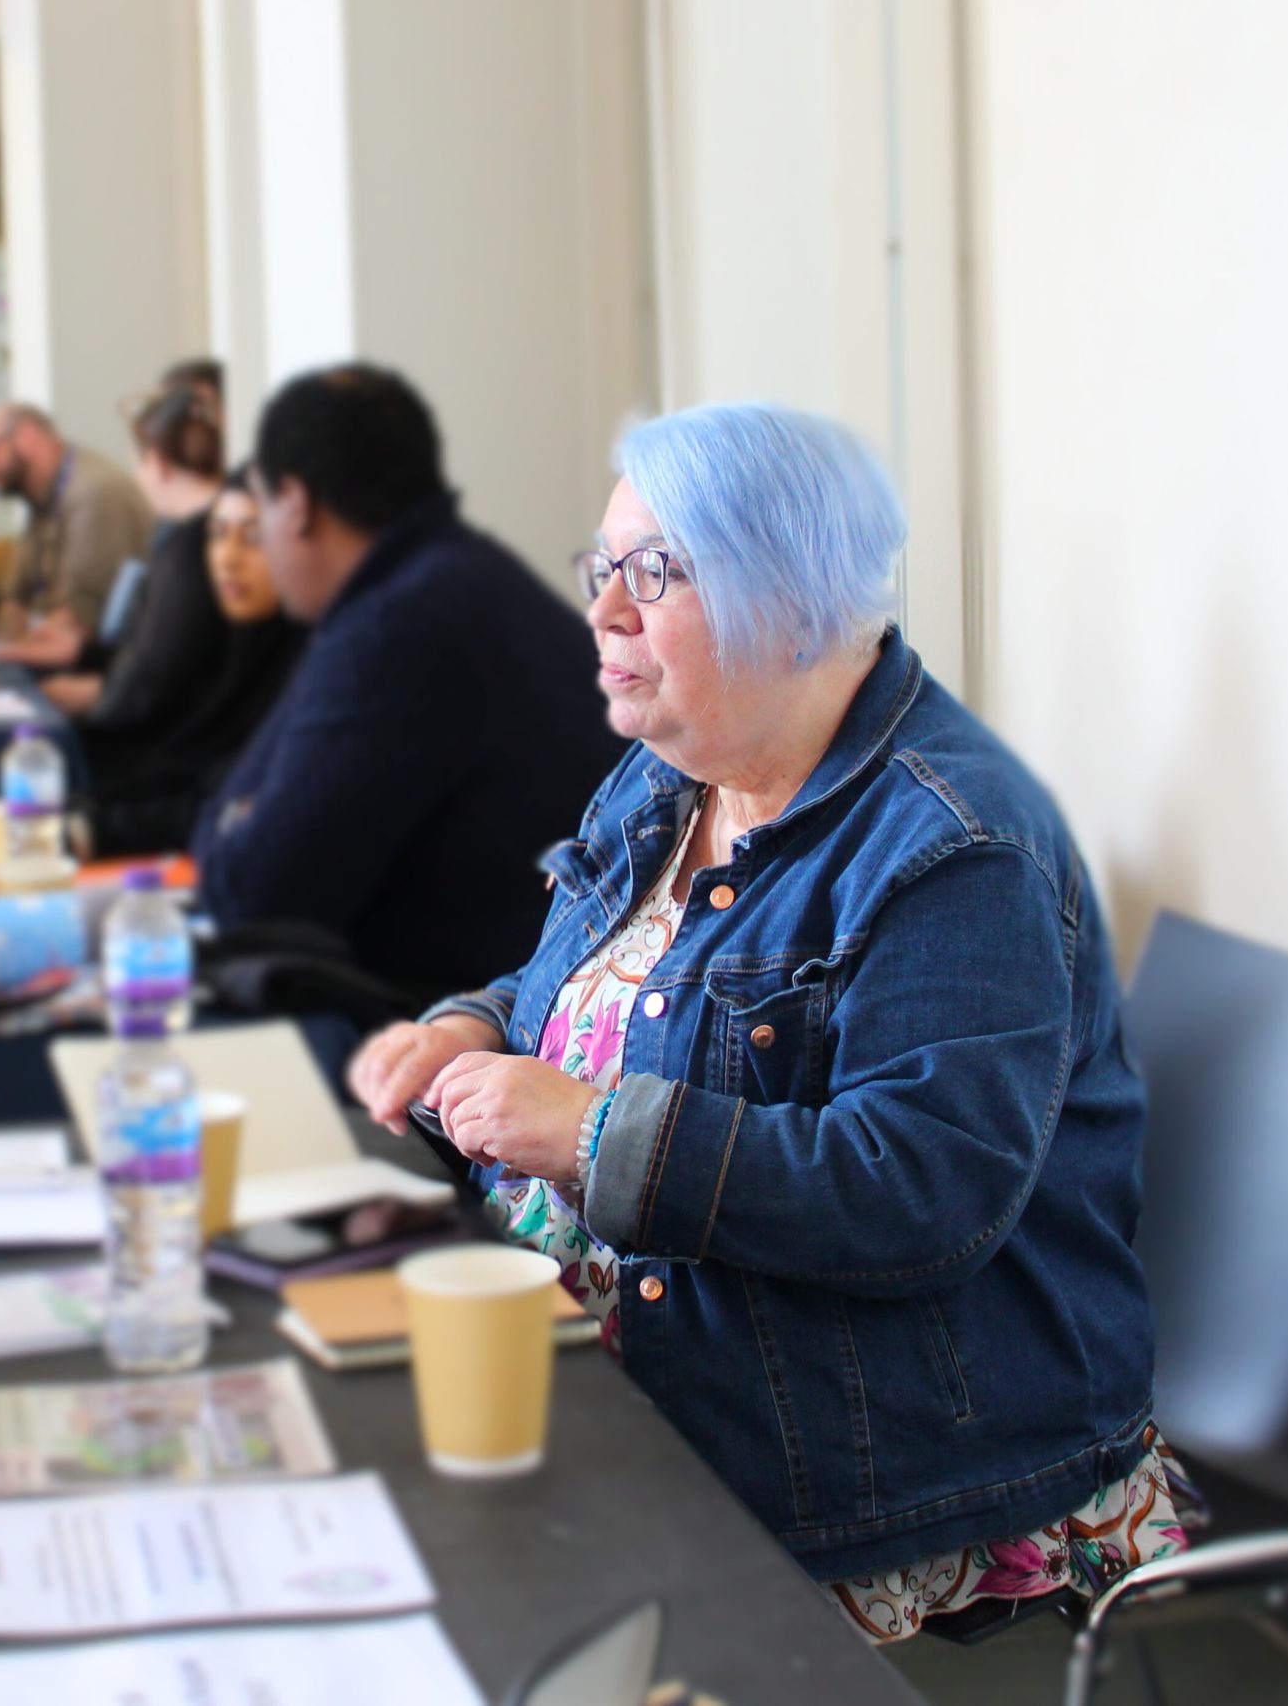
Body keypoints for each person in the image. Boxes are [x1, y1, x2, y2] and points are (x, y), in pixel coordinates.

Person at [350, 403, 1187, 1642]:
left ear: (791, 604)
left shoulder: (957, 850)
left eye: (658, 573)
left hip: (857, 1430)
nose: (606, 614)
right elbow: (579, 992)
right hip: (618, 1345)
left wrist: (586, 1136)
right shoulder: (670, 771)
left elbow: (919, 1192)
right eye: (604, 569)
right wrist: (471, 1030)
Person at [194, 365, 623, 1002]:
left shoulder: (397, 626)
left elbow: (252, 898)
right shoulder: (456, 577)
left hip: (481, 1025)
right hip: (531, 996)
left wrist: (234, 823)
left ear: (297, 503)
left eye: (259, 511)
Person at [79, 466, 304, 856]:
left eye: (253, 538)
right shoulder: (232, 647)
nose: (228, 559)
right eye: (217, 534)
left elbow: (229, 810)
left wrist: (85, 831)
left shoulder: (308, 660)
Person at [40, 372, 230, 721]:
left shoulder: (188, 549)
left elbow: (154, 680)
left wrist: (91, 695)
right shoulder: (222, 531)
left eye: (139, 466)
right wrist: (82, 652)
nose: (139, 480)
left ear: (156, 463)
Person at [0, 400, 154, 655]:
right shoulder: (40, 498)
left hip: (97, 669)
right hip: (55, 658)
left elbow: (73, 624)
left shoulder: (92, 493)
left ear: (26, 436)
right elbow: (14, 602)